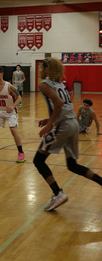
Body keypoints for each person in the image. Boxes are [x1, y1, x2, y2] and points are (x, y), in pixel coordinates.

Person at [33, 58, 102, 211]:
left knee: (38, 160)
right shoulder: (60, 83)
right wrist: (49, 119)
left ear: (46, 69)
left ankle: (58, 193)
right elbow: (63, 106)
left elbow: (58, 103)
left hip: (63, 126)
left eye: (41, 67)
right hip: (72, 124)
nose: (39, 70)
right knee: (72, 165)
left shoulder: (44, 84)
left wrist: (51, 124)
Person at [0, 66, 26, 163]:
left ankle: (21, 153)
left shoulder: (9, 86)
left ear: (1, 74)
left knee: (13, 131)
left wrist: (12, 106)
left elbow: (19, 98)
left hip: (10, 111)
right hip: (0, 111)